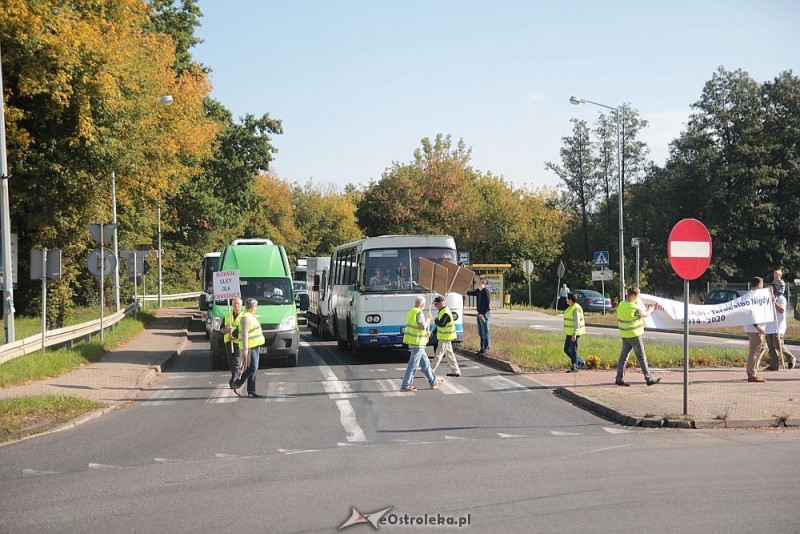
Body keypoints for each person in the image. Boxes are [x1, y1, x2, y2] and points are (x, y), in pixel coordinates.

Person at [615, 286, 661, 386]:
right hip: (634, 335)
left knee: (623, 357)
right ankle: (648, 378)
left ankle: (619, 378)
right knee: (641, 357)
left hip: (625, 335)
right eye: (637, 296)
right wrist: (651, 309)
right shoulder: (634, 308)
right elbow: (644, 314)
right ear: (632, 295)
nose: (638, 298)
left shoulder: (621, 304)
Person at [400, 296, 443, 392]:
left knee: (426, 364)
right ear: (422, 305)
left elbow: (417, 328)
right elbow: (422, 326)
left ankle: (433, 382)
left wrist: (426, 334)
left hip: (416, 342)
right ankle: (406, 385)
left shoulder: (411, 311)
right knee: (413, 365)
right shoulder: (419, 312)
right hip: (417, 343)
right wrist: (428, 319)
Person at [232, 298, 266, 397]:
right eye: (256, 305)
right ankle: (238, 383)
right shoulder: (246, 317)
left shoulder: (250, 316)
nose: (257, 307)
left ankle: (251, 389)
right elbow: (245, 333)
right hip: (250, 346)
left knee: (254, 368)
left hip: (255, 345)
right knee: (253, 367)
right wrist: (246, 349)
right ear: (251, 306)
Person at [764, 278, 796, 370]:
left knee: (778, 344)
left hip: (778, 326)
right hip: (769, 325)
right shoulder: (767, 298)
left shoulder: (781, 299)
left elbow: (781, 310)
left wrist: (774, 302)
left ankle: (790, 357)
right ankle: (774, 366)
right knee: (771, 347)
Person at [742, 276, 768, 382]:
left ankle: (754, 372)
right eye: (762, 284)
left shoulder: (753, 295)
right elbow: (750, 313)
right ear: (759, 284)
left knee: (762, 348)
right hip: (755, 329)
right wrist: (758, 327)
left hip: (756, 328)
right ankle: (752, 374)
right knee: (755, 351)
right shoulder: (752, 296)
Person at [432, 295, 461, 377]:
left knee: (438, 354)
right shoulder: (442, 311)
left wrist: (436, 320)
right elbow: (439, 326)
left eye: (436, 304)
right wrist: (433, 332)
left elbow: (441, 324)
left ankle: (430, 370)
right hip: (446, 337)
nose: (435, 306)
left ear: (441, 303)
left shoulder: (446, 313)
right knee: (450, 355)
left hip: (445, 337)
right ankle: (456, 371)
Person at [219, 297, 244, 390]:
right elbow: (221, 329)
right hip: (229, 342)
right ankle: (235, 376)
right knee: (231, 361)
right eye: (234, 304)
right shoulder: (227, 316)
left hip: (239, 342)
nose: (236, 306)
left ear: (241, 305)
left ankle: (234, 379)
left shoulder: (244, 316)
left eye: (238, 304)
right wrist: (226, 330)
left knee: (237, 361)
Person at [466, 276, 491, 357]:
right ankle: (481, 348)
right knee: (481, 333)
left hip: (484, 314)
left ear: (482, 281)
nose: (475, 282)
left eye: (476, 280)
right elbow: (468, 292)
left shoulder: (485, 291)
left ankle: (486, 349)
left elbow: (487, 305)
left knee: (485, 332)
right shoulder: (478, 291)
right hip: (479, 314)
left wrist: (482, 314)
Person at [563, 292, 585, 373]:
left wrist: (574, 333)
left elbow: (577, 322)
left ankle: (575, 366)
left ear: (571, 300)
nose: (566, 300)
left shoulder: (575, 308)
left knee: (573, 349)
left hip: (574, 333)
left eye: (567, 299)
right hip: (569, 332)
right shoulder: (570, 307)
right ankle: (579, 362)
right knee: (566, 349)